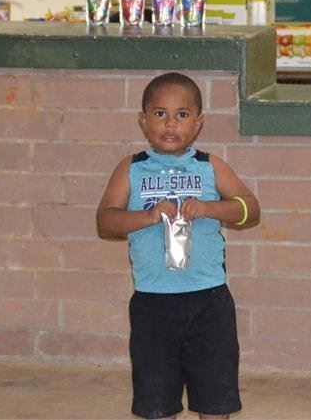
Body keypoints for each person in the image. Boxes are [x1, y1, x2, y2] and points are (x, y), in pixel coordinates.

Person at [97, 72, 260, 420]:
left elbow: (251, 209)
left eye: (182, 115)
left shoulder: (210, 166)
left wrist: (209, 208)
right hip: (153, 305)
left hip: (209, 301)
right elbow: (105, 221)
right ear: (143, 120)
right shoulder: (131, 169)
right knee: (156, 403)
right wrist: (147, 217)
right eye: (159, 114)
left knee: (215, 401)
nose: (170, 123)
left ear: (198, 123)